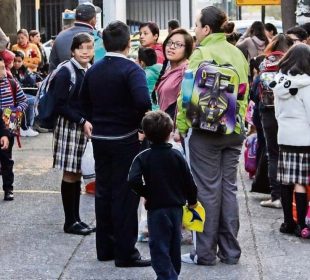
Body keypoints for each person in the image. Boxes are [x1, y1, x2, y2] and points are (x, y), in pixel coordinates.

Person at [176, 6, 249, 266]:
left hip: (204, 132)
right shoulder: (237, 53)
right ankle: (230, 252)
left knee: (206, 189)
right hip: (233, 130)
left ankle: (204, 253)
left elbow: (186, 96)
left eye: (196, 26)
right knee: (229, 189)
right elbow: (243, 92)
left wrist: (181, 126)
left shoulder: (201, 53)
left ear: (207, 29)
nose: (195, 30)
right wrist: (237, 122)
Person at [79, 21, 152, 267]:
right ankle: (125, 253)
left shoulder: (94, 70)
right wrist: (140, 126)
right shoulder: (132, 70)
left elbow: (84, 102)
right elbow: (143, 101)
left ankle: (105, 248)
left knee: (104, 192)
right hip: (125, 138)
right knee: (125, 195)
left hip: (100, 138)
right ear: (126, 44)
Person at [128, 110, 198, 279]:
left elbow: (133, 180)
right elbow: (189, 180)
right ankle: (172, 272)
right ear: (169, 132)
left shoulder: (143, 157)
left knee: (158, 246)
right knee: (174, 245)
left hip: (156, 209)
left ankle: (167, 276)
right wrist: (192, 201)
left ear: (145, 133)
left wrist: (146, 193)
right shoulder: (177, 155)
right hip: (176, 208)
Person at [52, 33, 95, 236]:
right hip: (70, 126)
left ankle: (76, 219)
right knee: (70, 174)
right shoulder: (66, 71)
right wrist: (81, 121)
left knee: (77, 173)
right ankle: (70, 221)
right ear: (73, 51)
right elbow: (58, 104)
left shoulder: (87, 69)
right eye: (81, 48)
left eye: (89, 47)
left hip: (81, 126)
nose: (85, 52)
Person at [270, 44, 310, 237]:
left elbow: (277, 113)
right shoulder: (307, 84)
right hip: (304, 138)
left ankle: (288, 222)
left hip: (285, 136)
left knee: (286, 181)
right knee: (300, 182)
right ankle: (302, 224)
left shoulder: (279, 83)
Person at [257, 34, 293, 208]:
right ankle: (292, 195)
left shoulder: (265, 62)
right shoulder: (290, 61)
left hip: (268, 111)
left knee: (273, 153)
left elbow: (258, 86)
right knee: (289, 152)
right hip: (287, 111)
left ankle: (276, 196)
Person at [0, 57, 28, 201]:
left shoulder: (12, 83)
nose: (2, 72)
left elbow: (23, 101)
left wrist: (16, 111)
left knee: (6, 159)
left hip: (9, 124)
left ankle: (8, 188)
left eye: (3, 68)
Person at [49, 2, 104, 72]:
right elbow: (102, 68)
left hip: (64, 81)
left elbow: (52, 70)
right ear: (93, 19)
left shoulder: (61, 36)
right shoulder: (97, 37)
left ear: (75, 17)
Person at [154, 28, 193, 120]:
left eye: (178, 44)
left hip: (176, 128)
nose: (171, 47)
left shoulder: (186, 71)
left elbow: (187, 106)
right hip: (164, 126)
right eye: (169, 42)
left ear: (187, 49)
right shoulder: (168, 68)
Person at [12, 51, 39, 137]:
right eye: (14, 61)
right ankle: (23, 127)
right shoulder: (10, 70)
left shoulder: (23, 70)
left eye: (19, 61)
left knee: (34, 99)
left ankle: (26, 126)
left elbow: (31, 81)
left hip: (19, 94)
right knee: (29, 101)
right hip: (13, 95)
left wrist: (28, 72)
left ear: (23, 61)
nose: (16, 63)